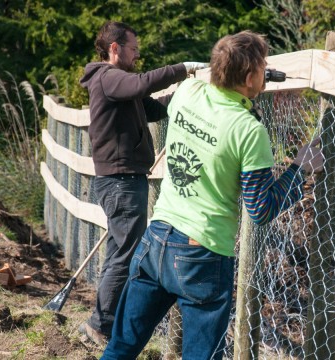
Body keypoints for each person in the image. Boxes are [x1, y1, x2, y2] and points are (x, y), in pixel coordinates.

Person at [101, 30, 324, 360]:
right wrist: (299, 169)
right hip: (202, 255)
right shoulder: (248, 131)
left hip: (157, 238)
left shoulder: (188, 92)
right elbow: (260, 208)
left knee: (121, 346)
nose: (266, 72)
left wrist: (245, 91)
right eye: (262, 67)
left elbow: (214, 91)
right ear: (249, 77)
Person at [77, 20, 207, 346]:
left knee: (121, 253)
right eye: (133, 49)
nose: (138, 55)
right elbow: (141, 85)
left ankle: (103, 323)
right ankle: (100, 325)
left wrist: (187, 94)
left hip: (122, 180)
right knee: (126, 255)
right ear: (115, 48)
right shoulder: (108, 78)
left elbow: (153, 107)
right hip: (120, 182)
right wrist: (183, 69)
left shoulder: (118, 85)